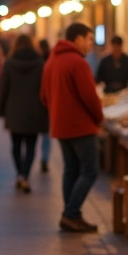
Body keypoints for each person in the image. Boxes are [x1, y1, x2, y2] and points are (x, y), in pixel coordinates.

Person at [40, 22, 104, 233]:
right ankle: (71, 213)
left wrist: (57, 110)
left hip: (60, 125)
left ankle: (72, 216)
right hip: (80, 126)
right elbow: (90, 97)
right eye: (88, 40)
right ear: (77, 39)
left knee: (71, 170)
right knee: (90, 170)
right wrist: (99, 118)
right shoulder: (78, 63)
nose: (90, 45)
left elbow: (43, 96)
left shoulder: (52, 61)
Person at [0, 34, 48, 192]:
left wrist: (1, 109)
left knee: (16, 144)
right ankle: (25, 176)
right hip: (35, 109)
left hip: (14, 109)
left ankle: (19, 173)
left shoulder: (9, 63)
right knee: (31, 145)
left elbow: (4, 87)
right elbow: (44, 88)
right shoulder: (40, 64)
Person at [37, 39, 52, 173]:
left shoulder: (39, 63)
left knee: (42, 133)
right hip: (46, 102)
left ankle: (44, 158)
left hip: (38, 102)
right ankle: (45, 157)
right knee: (46, 133)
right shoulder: (50, 62)